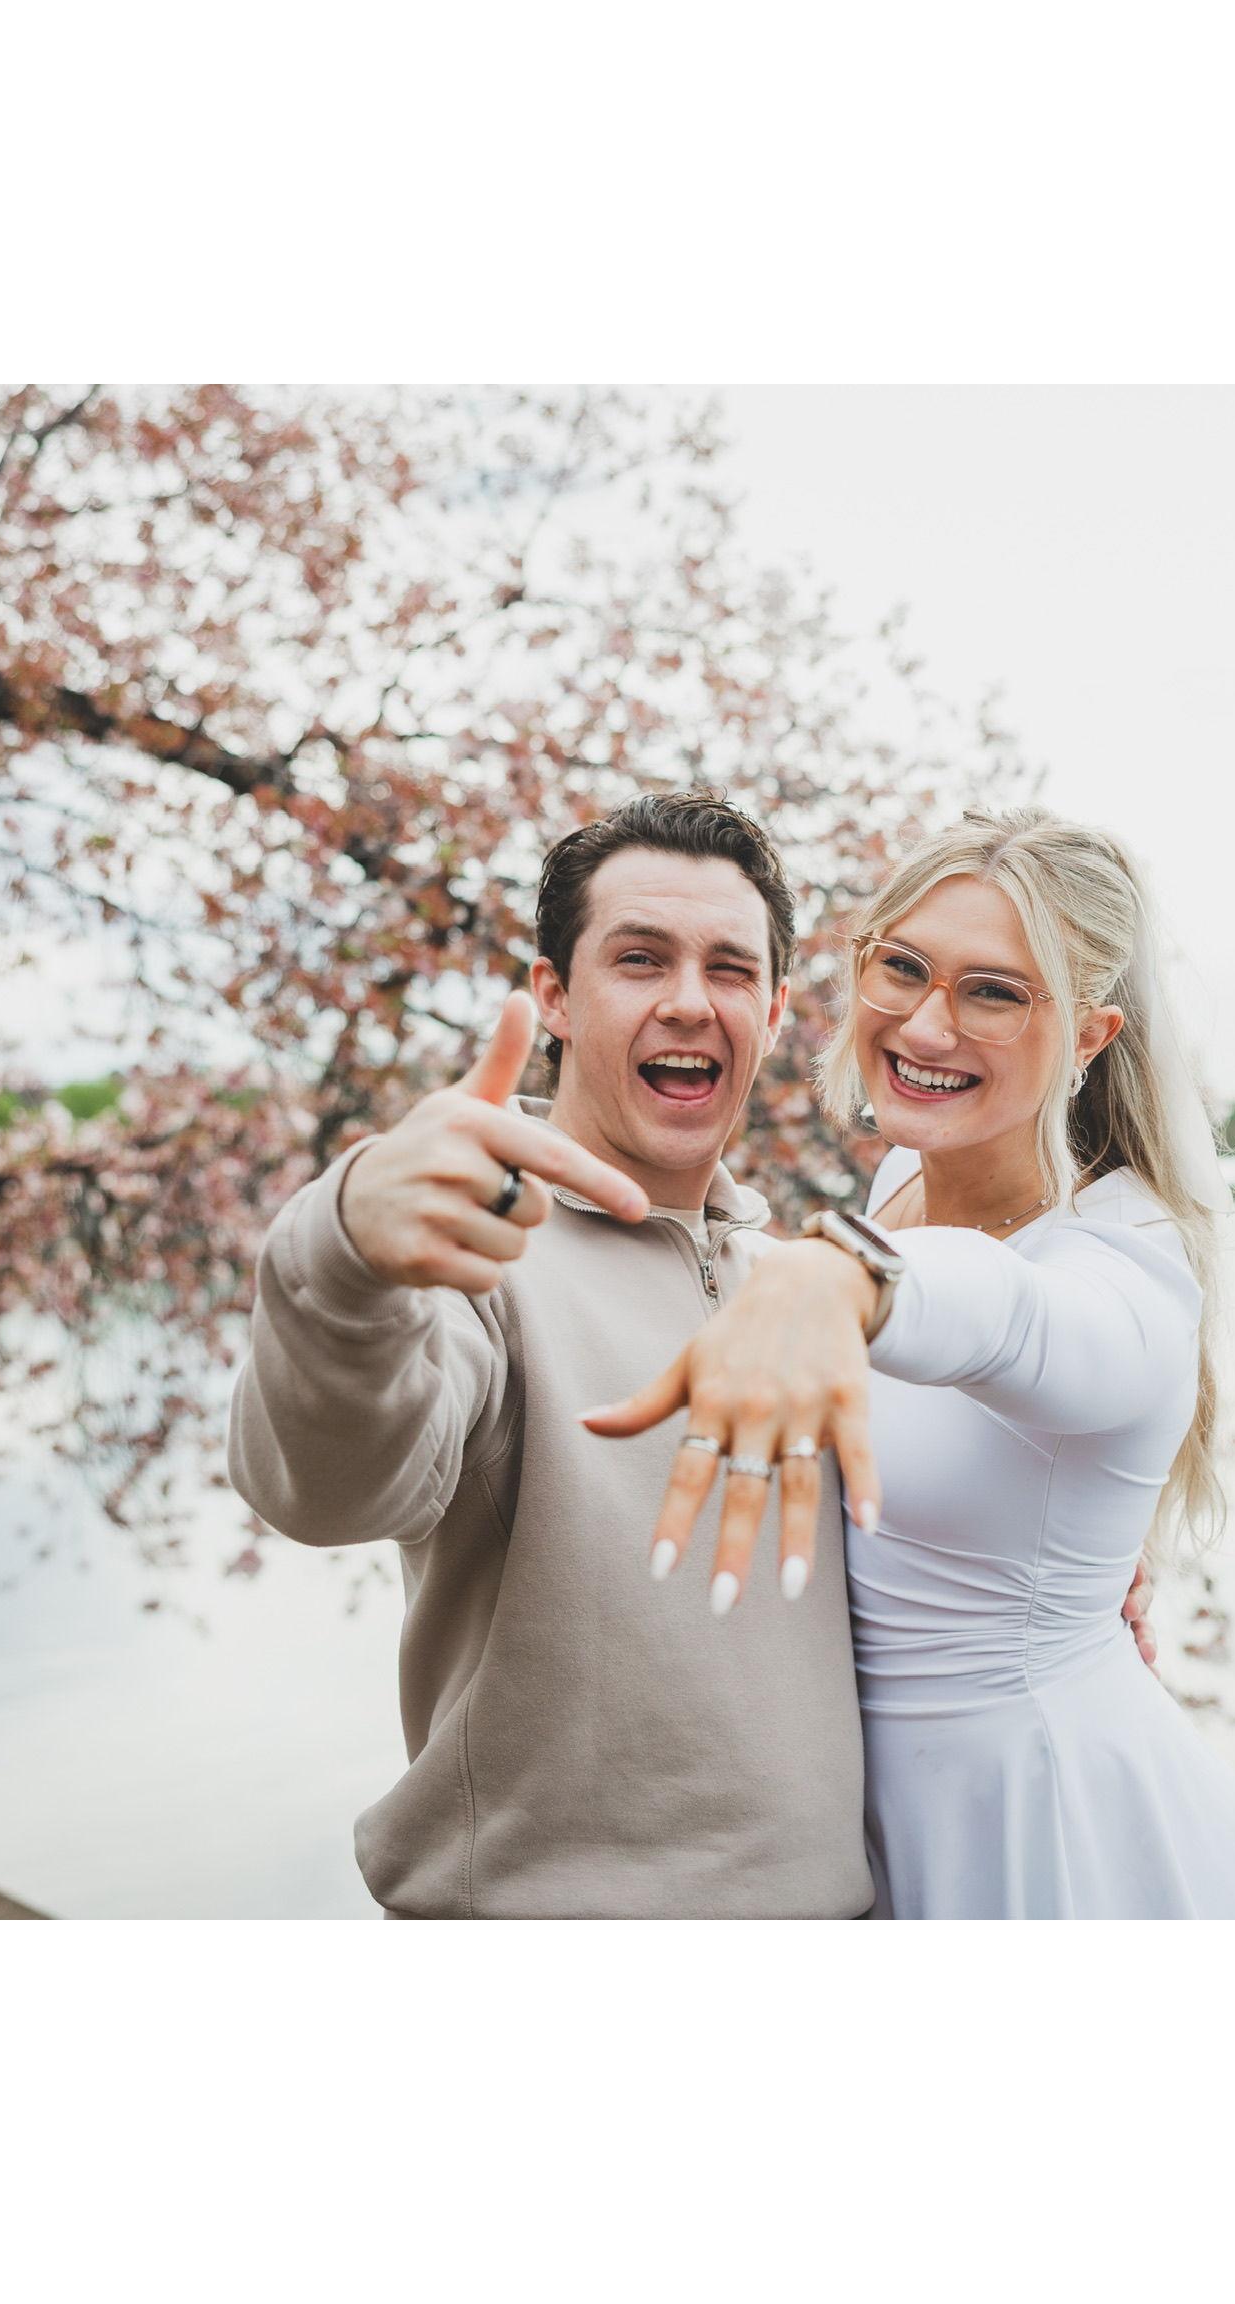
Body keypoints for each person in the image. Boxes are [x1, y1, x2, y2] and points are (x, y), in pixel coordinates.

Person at [586, 807, 1235, 1918]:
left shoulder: (1129, 1266)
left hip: (1040, 1826)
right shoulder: (899, 1183)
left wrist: (844, 1275)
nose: (928, 1026)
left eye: (995, 993)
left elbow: (1009, 1318)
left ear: (1090, 1036)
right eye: (904, 968)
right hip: (852, 1816)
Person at [226, 791, 879, 1918]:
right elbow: (328, 1492)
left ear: (774, 1013)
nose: (690, 1002)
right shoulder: (479, 1262)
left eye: (730, 970)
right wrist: (342, 1254)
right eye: (640, 959)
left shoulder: (797, 1285)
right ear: (555, 997)